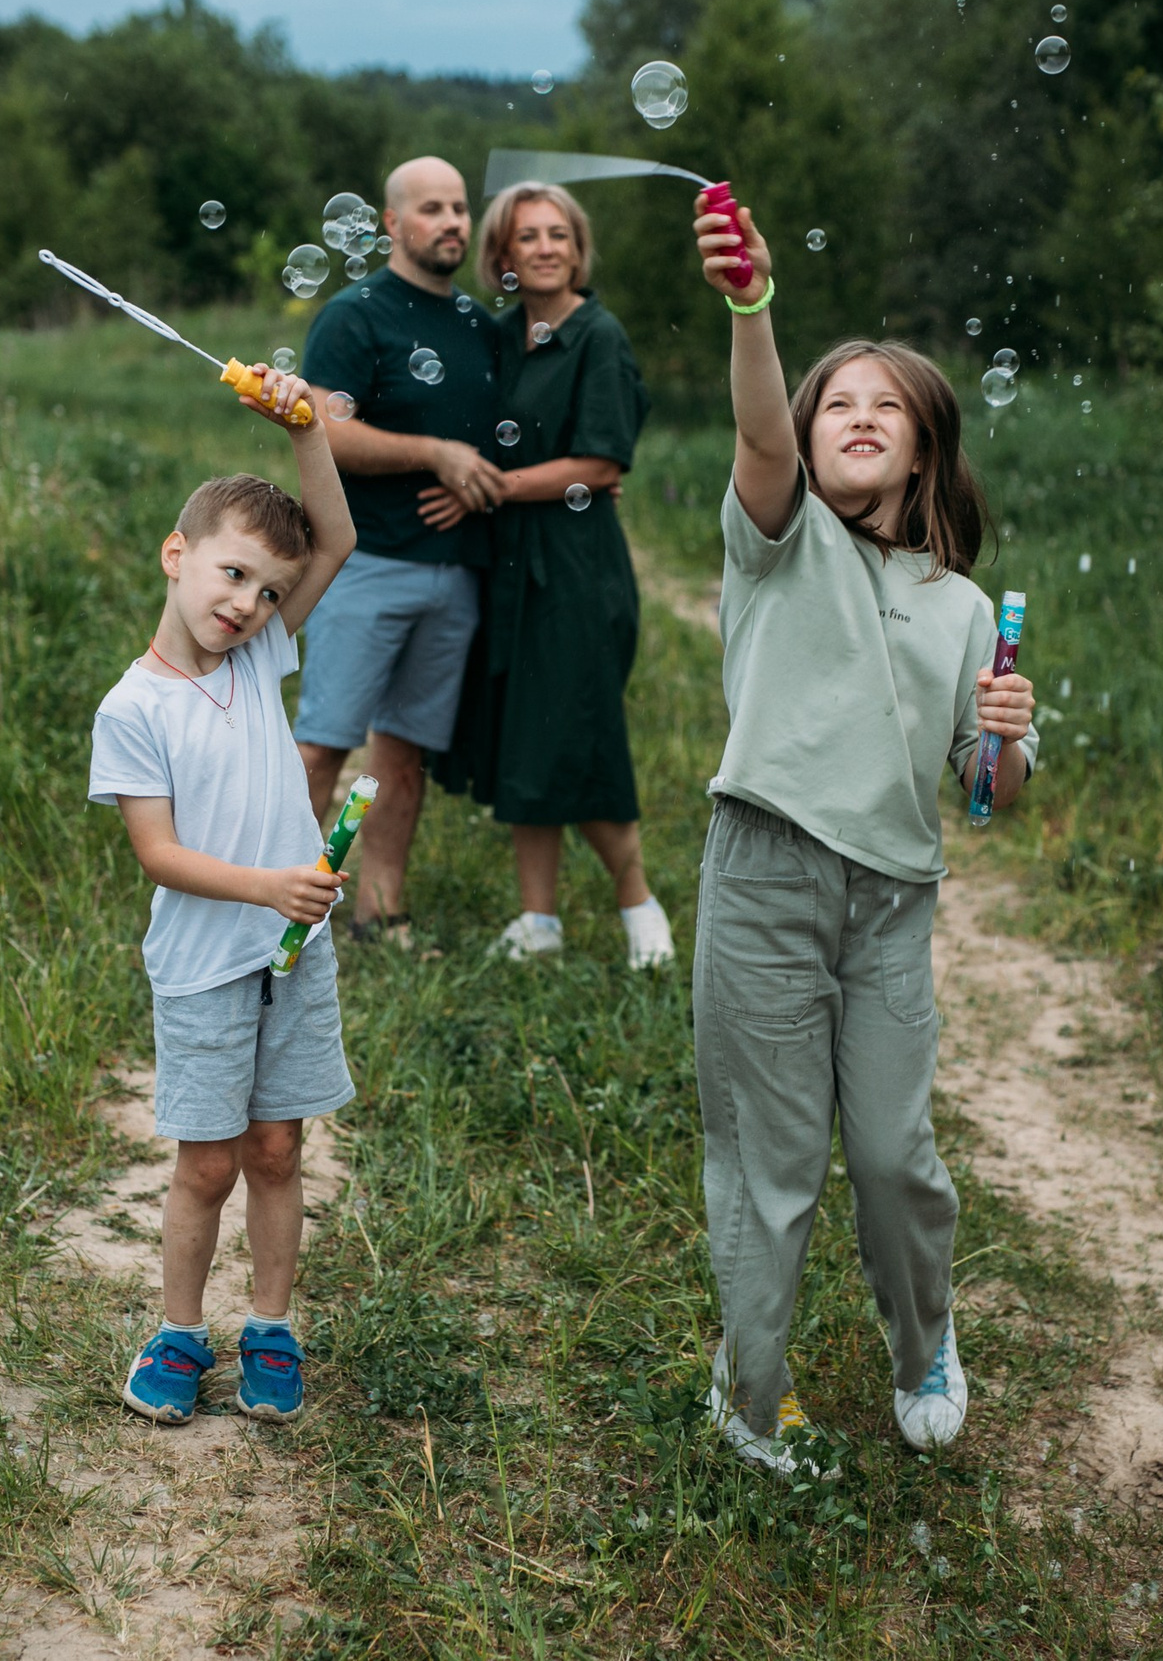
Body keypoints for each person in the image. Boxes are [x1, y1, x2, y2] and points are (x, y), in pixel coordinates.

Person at [688, 193, 1039, 1476]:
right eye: (837, 402)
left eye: (886, 408)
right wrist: (753, 304)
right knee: (769, 1163)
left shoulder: (957, 610)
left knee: (894, 1160)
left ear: (923, 450)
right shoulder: (775, 542)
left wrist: (999, 730)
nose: (856, 418)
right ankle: (751, 1390)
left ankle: (924, 1344)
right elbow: (758, 429)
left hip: (892, 901)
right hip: (765, 879)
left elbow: (987, 793)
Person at [86, 369, 359, 1427]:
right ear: (177, 554)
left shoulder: (260, 661)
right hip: (207, 965)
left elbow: (331, 539)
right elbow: (157, 852)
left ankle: (272, 1331)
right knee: (206, 1164)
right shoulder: (134, 704)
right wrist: (269, 887)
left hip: (290, 959)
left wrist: (304, 429)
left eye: (267, 593)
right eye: (233, 574)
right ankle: (177, 1330)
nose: (246, 605)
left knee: (279, 1149)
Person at [429, 180, 673, 968]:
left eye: (558, 234)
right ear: (502, 254)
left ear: (578, 248)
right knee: (523, 739)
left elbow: (602, 461)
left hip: (574, 564)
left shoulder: (598, 336)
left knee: (581, 732)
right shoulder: (498, 338)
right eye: (527, 236)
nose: (544, 247)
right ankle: (539, 921)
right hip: (504, 562)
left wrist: (487, 488)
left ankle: (640, 906)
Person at [296, 155, 509, 944]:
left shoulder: (481, 326)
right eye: (432, 208)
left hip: (455, 573)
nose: (453, 221)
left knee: (403, 756)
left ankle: (379, 912)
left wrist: (473, 478)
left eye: (460, 208)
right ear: (391, 223)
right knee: (323, 743)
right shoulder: (356, 317)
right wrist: (433, 456)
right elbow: (327, 431)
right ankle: (267, 900)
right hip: (368, 565)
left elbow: (489, 442)